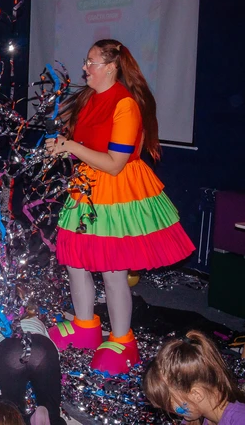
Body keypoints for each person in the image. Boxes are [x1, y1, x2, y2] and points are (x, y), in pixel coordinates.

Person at [45, 39, 195, 374]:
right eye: (86, 61)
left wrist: (71, 146)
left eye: (91, 62)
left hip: (116, 192)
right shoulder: (88, 99)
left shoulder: (125, 104)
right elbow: (85, 146)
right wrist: (63, 146)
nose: (85, 67)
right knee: (76, 263)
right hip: (87, 187)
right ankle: (85, 326)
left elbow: (114, 164)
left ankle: (122, 339)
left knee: (113, 272)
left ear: (112, 67)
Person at [0, 298, 66, 425]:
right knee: (51, 409)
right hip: (41, 347)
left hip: (9, 352)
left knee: (12, 412)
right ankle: (46, 416)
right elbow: (54, 354)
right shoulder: (35, 321)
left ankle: (28, 420)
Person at [144, 330, 245, 425]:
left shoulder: (240, 419)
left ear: (196, 394)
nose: (170, 412)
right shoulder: (195, 415)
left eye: (169, 406)